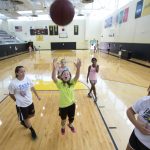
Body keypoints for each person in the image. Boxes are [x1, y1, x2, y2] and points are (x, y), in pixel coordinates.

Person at [8, 66, 41, 140]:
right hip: (21, 105)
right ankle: (32, 130)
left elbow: (32, 87)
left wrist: (37, 96)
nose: (23, 73)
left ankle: (23, 121)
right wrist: (16, 101)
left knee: (32, 115)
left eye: (24, 71)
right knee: (26, 118)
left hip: (30, 102)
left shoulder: (27, 78)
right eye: (21, 72)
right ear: (17, 73)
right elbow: (11, 94)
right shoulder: (13, 83)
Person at [52, 58, 81, 135]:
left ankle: (70, 124)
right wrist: (54, 69)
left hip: (72, 105)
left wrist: (78, 68)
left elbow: (77, 77)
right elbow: (54, 78)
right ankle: (63, 127)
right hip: (63, 106)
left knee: (71, 118)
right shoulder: (60, 84)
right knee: (63, 120)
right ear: (61, 77)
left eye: (68, 74)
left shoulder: (72, 83)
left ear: (70, 76)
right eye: (64, 74)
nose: (66, 74)